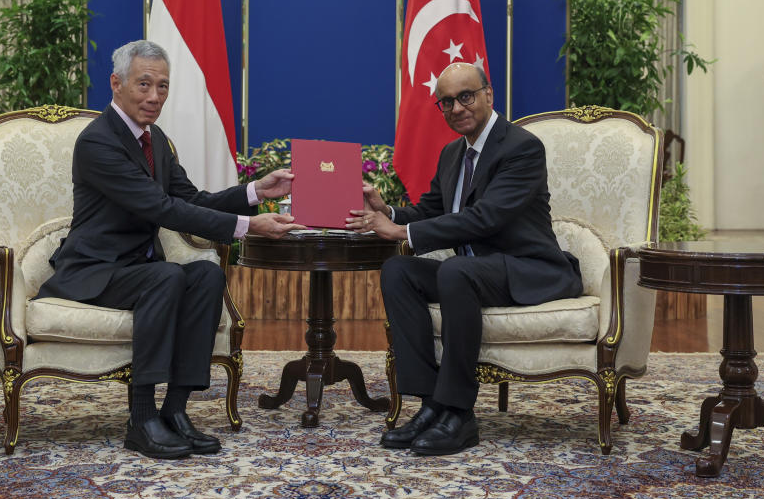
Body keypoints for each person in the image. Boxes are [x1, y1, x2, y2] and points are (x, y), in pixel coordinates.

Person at [37, 40, 304, 460]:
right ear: (117, 83)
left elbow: (190, 198)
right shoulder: (98, 142)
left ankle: (176, 410)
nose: (154, 97)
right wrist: (249, 226)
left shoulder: (155, 139)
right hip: (94, 270)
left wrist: (255, 192)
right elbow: (161, 208)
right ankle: (141, 420)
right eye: (144, 84)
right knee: (167, 275)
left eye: (162, 87)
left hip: (137, 270)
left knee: (206, 273)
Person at [346, 62, 582, 456]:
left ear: (489, 95)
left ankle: (459, 413)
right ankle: (429, 404)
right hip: (473, 272)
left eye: (466, 96)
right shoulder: (453, 154)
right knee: (398, 270)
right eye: (447, 102)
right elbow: (433, 209)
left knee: (456, 270)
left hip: (528, 268)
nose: (456, 108)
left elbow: (485, 217)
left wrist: (402, 233)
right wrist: (389, 213)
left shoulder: (521, 147)